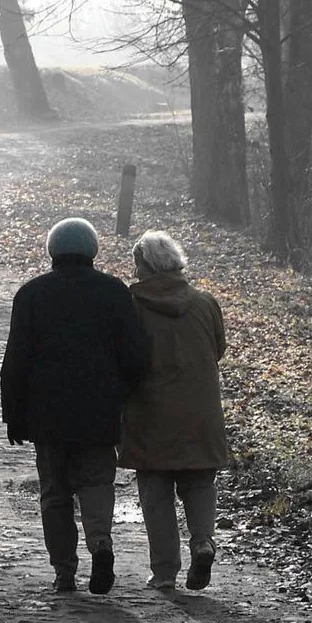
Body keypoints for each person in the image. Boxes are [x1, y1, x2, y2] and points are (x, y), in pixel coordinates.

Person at [0, 217, 150, 595]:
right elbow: (135, 356)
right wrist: (122, 393)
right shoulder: (114, 292)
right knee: (97, 483)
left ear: (53, 251)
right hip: (98, 412)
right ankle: (101, 545)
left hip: (47, 415)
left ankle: (64, 571)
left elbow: (15, 361)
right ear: (93, 250)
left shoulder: (32, 294)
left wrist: (14, 416)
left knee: (55, 493)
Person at [118, 230, 230, 592]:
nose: (134, 273)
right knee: (199, 482)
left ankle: (164, 571)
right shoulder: (205, 302)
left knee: (155, 488)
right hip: (201, 410)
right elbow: (218, 348)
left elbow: (125, 357)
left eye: (137, 266)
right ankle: (203, 542)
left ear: (147, 267)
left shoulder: (132, 305)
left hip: (150, 410)